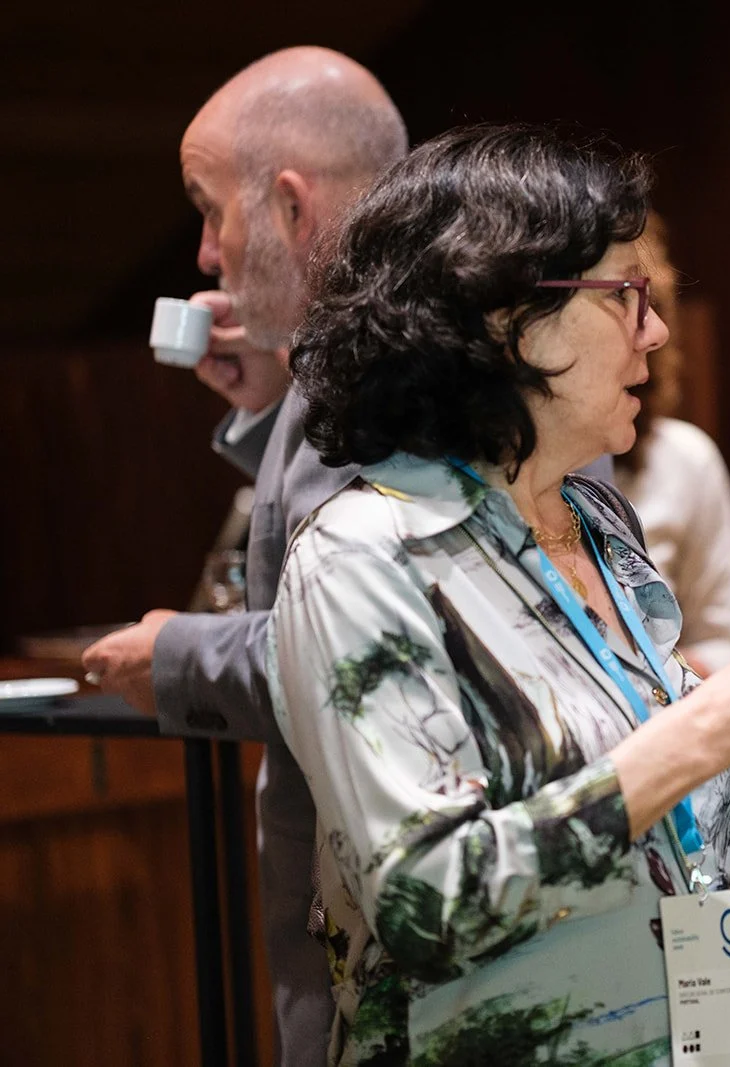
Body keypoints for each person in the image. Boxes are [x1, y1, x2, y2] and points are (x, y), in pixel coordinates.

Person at [269, 123, 730, 1066]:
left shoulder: (598, 524)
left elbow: (639, 793)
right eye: (627, 294)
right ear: (506, 315)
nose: (658, 328)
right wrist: (711, 728)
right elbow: (433, 897)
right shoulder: (362, 557)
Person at [81, 47, 408, 1065]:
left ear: (292, 206)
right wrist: (264, 402)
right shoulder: (373, 344)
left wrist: (173, 656)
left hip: (390, 943)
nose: (207, 253)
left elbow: (367, 653)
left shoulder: (392, 368)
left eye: (212, 209)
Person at [615, 214, 730, 674]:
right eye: (619, 302)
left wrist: (655, 673)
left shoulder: (681, 458)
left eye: (644, 304)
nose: (652, 332)